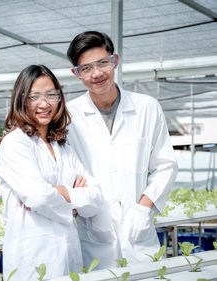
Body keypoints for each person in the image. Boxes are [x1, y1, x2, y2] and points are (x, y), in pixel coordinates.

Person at [66, 31, 178, 268]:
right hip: (93, 234)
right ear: (76, 74)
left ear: (114, 60)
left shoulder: (147, 108)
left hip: (138, 229)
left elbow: (166, 166)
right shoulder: (68, 116)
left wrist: (143, 208)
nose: (97, 74)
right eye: (86, 68)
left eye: (103, 63)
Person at [0, 64, 107, 280]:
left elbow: (95, 197)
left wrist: (59, 193)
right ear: (21, 99)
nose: (44, 104)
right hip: (32, 258)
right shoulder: (15, 144)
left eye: (51, 95)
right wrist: (74, 200)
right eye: (34, 97)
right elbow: (39, 196)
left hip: (69, 253)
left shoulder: (64, 147)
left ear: (60, 99)